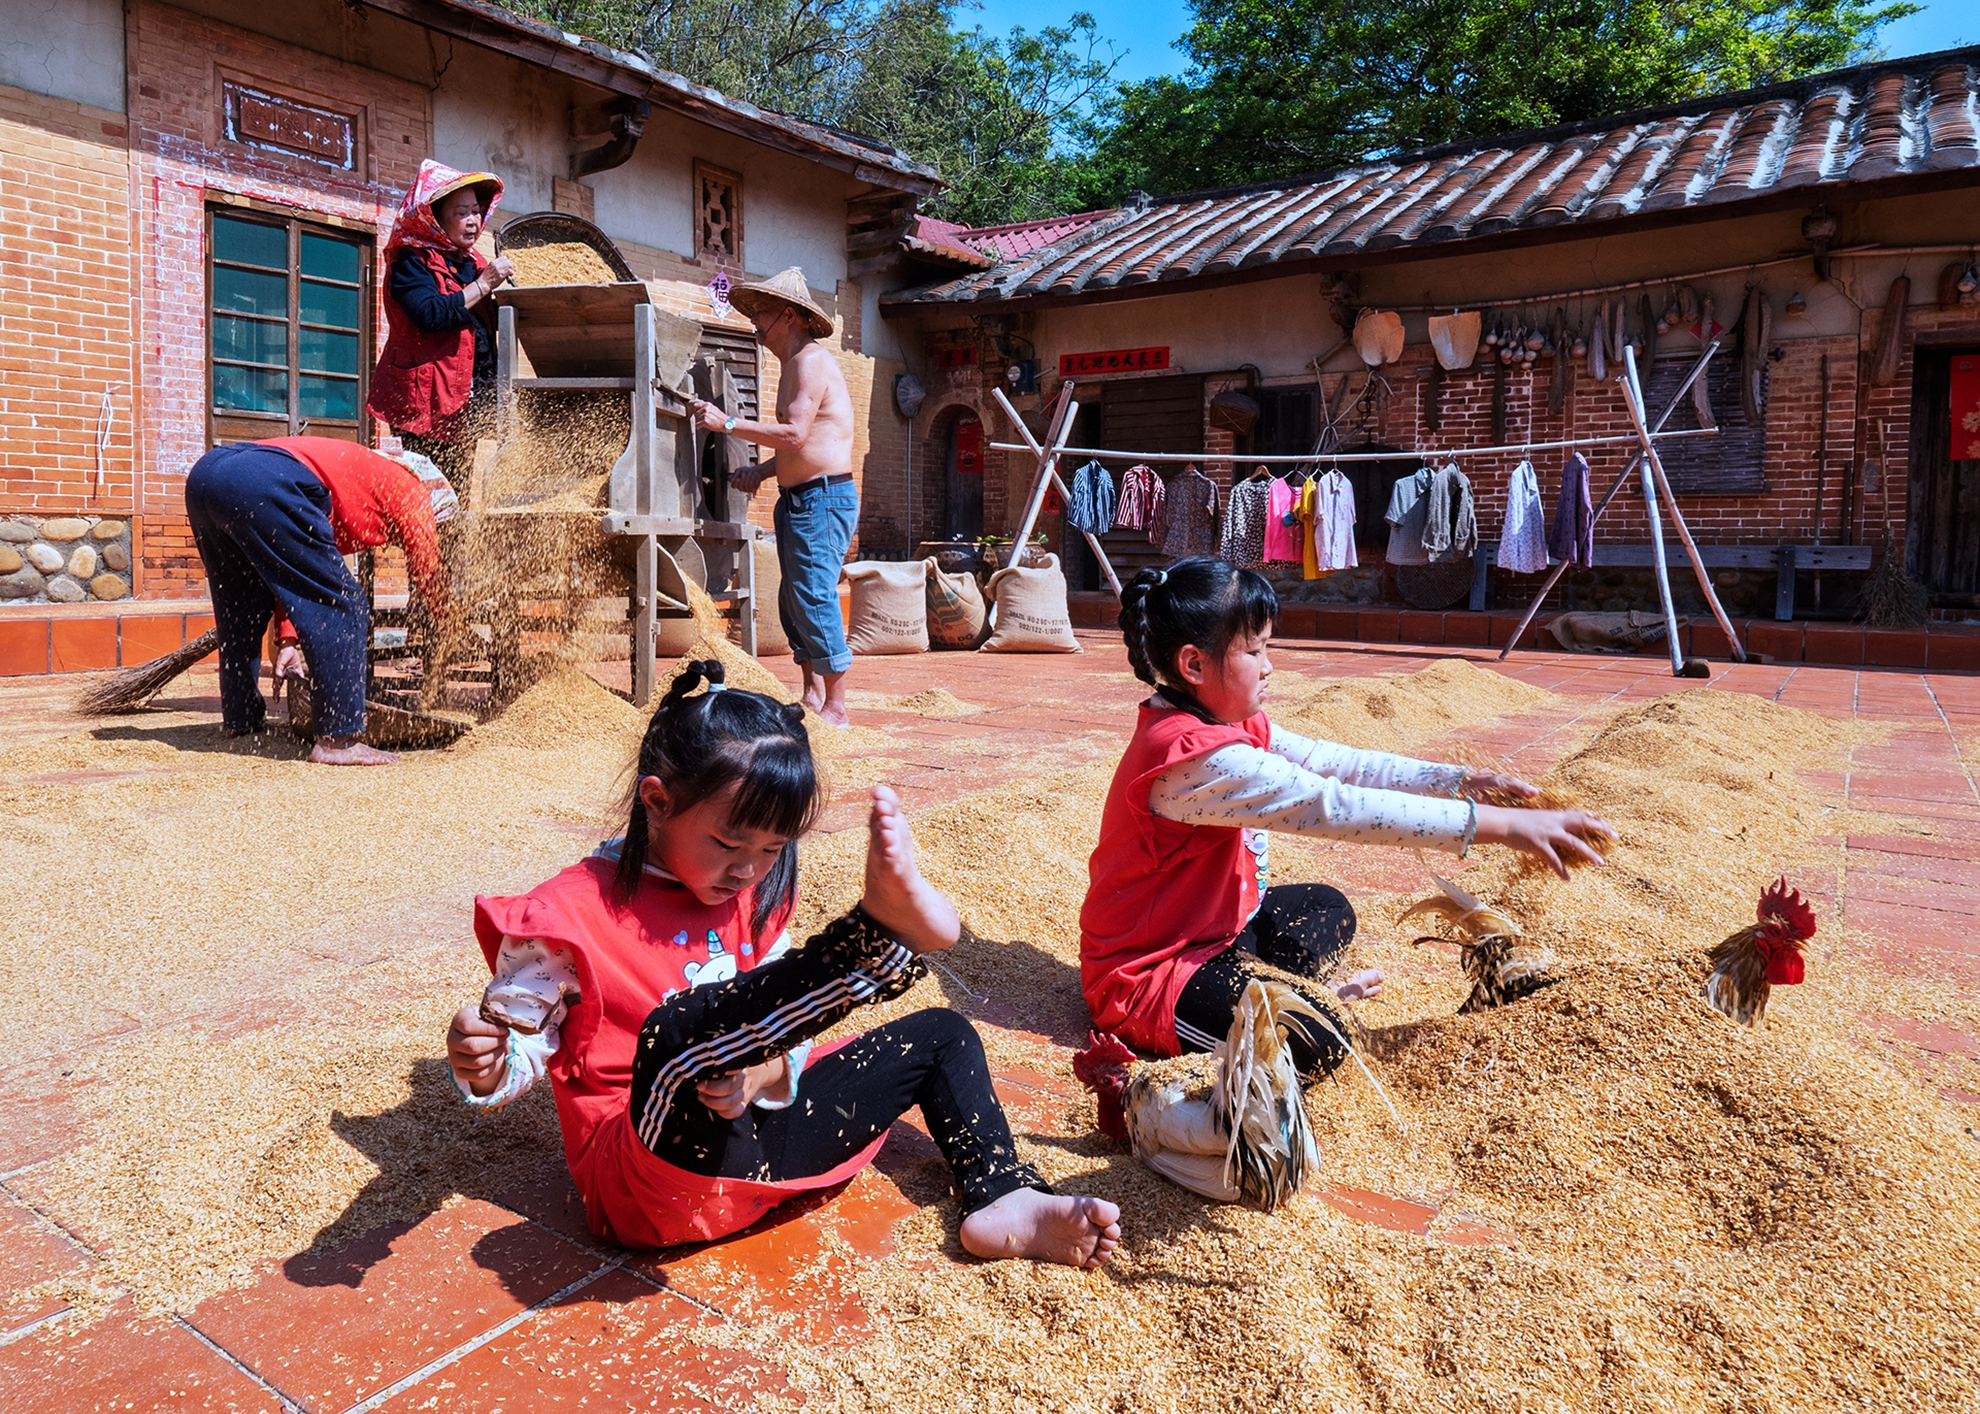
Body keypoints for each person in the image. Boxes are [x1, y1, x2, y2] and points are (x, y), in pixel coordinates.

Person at [446, 661, 1121, 1267]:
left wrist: (763, 1071)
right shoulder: (566, 917)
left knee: (942, 1035)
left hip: (760, 1158)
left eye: (773, 850)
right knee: (680, 1033)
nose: (747, 869)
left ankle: (998, 1196)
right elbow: (518, 1055)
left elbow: (783, 1032)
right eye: (728, 842)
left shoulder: (753, 892)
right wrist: (487, 1063)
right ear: (657, 803)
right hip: (651, 1185)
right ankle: (876, 937)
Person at [1079, 557, 1615, 1077]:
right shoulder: (1195, 762)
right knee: (1319, 1041)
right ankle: (1288, 1010)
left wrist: (1456, 781)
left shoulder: (1228, 722)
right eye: (1255, 650)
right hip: (1151, 976)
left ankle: (1281, 997)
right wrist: (1503, 827)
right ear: (1194, 664)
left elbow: (1335, 764)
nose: (1269, 666)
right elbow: (1333, 807)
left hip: (1219, 934)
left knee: (1327, 908)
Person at [182, 436, 458, 767]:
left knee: (241, 608)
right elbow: (427, 564)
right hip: (265, 476)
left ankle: (241, 720)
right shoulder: (412, 489)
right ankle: (337, 741)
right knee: (344, 604)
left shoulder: (362, 475)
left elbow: (292, 573)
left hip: (208, 475)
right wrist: (451, 622)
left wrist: (287, 640)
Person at [687, 268, 857, 727]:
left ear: (789, 315)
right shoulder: (792, 364)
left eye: (761, 312)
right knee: (792, 597)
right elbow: (809, 442)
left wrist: (725, 424)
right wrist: (762, 470)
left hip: (822, 499)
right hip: (798, 497)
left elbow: (796, 434)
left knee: (814, 594)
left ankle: (837, 705)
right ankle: (812, 693)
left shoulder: (810, 361)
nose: (754, 321)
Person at [366, 160, 513, 489]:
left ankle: (452, 541)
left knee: (457, 491)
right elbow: (429, 314)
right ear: (434, 217)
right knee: (429, 494)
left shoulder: (473, 263)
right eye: (462, 212)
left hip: (465, 400)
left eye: (476, 211)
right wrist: (484, 285)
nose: (473, 221)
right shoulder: (411, 260)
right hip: (427, 403)